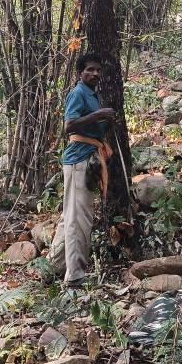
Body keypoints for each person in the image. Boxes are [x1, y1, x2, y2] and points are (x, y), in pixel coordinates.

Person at [49, 53, 115, 288]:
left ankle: (53, 266)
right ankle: (75, 278)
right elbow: (69, 125)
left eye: (98, 70)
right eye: (90, 69)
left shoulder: (92, 95)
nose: (95, 73)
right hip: (78, 160)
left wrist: (105, 122)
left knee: (71, 216)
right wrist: (99, 114)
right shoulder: (78, 93)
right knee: (79, 219)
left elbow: (89, 125)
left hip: (87, 157)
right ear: (80, 73)